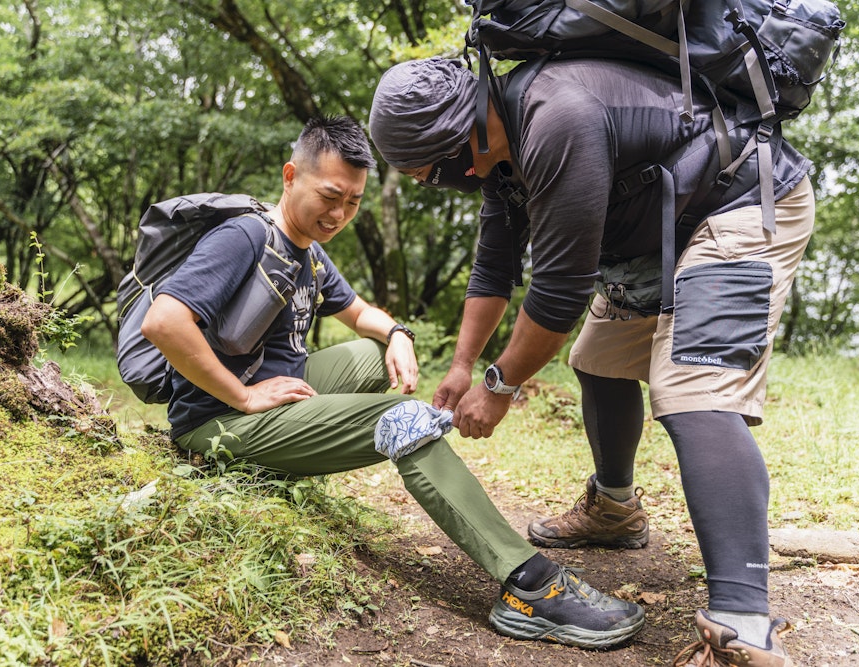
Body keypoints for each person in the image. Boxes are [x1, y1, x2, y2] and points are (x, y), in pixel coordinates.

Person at [369, 56, 814, 666]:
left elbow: (558, 290)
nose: (432, 182)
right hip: (655, 230)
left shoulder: (558, 118)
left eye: (431, 171)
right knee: (599, 358)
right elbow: (494, 267)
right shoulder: (502, 157)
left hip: (735, 204)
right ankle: (615, 510)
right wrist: (463, 366)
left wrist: (500, 385)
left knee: (694, 390)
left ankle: (742, 625)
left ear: (459, 136)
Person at [140, 114, 645, 649]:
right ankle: (530, 585)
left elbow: (358, 313)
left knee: (368, 351)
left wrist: (398, 334)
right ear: (291, 177)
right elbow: (164, 322)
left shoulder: (306, 251)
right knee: (401, 420)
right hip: (215, 422)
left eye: (353, 202)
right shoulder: (244, 236)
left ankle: (303, 436)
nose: (339, 214)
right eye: (330, 196)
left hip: (265, 389)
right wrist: (242, 395)